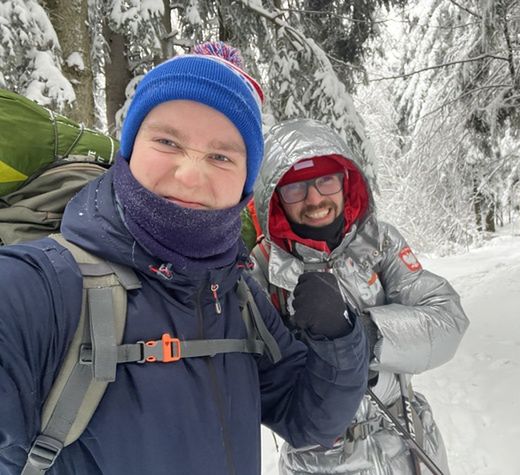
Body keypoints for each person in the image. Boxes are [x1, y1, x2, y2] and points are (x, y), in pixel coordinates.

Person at [0, 43, 369, 474]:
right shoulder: (35, 290)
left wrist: (338, 339)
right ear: (129, 148)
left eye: (221, 156)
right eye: (167, 141)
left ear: (245, 184)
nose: (191, 175)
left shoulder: (237, 296)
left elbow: (310, 421)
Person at [249, 118, 470, 475]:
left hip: (408, 447)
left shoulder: (379, 244)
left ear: (345, 182)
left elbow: (447, 319)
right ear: (275, 198)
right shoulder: (261, 270)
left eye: (326, 181)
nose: (315, 198)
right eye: (295, 189)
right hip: (319, 462)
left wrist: (364, 335)